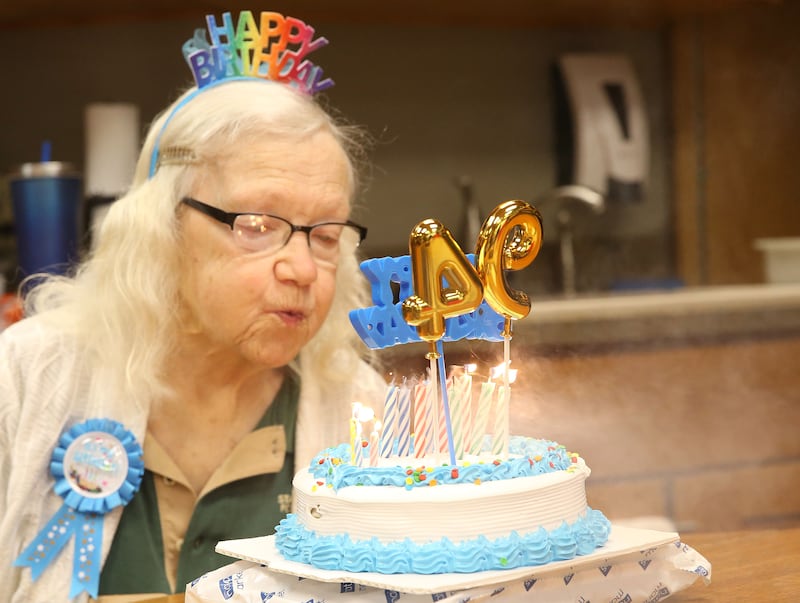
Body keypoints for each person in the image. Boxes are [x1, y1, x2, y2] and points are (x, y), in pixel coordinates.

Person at [0, 78, 387, 602]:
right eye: (256, 225)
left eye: (324, 236)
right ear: (164, 226)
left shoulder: (362, 411)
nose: (302, 269)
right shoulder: (27, 374)